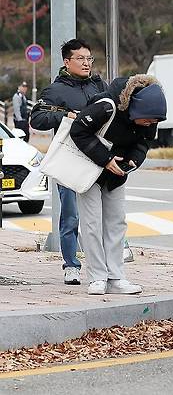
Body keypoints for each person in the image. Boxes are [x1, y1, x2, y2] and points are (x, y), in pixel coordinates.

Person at [70, 74, 166, 295]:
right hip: (90, 170)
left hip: (117, 174)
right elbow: (78, 131)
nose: (151, 125)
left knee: (116, 224)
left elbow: (143, 143)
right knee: (92, 224)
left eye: (155, 121)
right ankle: (97, 277)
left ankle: (116, 277)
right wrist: (105, 159)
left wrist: (135, 160)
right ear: (135, 108)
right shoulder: (106, 107)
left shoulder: (150, 117)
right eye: (149, 120)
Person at [30, 38, 108, 285]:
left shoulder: (99, 86)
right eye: (81, 59)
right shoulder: (56, 90)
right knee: (71, 216)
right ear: (67, 61)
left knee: (102, 216)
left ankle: (104, 266)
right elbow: (37, 119)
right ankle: (71, 265)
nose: (86, 63)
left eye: (89, 59)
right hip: (70, 162)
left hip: (98, 159)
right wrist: (66, 115)